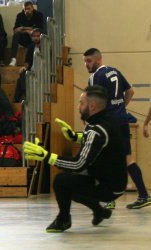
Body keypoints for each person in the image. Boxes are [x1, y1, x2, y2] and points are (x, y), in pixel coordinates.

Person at [24, 86, 127, 233]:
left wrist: (46, 156)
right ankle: (100, 211)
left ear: (92, 106)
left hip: (108, 187)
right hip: (113, 181)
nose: (78, 106)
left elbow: (79, 164)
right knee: (72, 182)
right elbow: (99, 142)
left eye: (81, 103)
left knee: (62, 181)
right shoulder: (106, 120)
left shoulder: (96, 129)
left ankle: (64, 219)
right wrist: (74, 136)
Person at [83, 48, 151, 209]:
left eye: (89, 61)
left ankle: (108, 200)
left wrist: (90, 121)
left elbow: (93, 103)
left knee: (101, 159)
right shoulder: (114, 71)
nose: (86, 65)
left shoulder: (95, 77)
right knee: (128, 159)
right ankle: (143, 195)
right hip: (121, 120)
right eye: (85, 62)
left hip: (107, 124)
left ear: (98, 60)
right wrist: (120, 108)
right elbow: (130, 92)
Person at [9, 1, 43, 66]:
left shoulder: (39, 15)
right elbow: (15, 30)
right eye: (25, 9)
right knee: (16, 35)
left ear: (32, 8)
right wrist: (27, 31)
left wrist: (22, 27)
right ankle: (13, 59)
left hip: (33, 38)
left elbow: (39, 29)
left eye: (28, 9)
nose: (27, 11)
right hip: (24, 38)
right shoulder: (20, 15)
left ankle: (37, 60)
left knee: (37, 35)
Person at [13, 28, 41, 103]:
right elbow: (27, 61)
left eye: (38, 36)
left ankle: (19, 99)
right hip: (32, 71)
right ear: (31, 37)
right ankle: (18, 99)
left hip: (42, 71)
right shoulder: (31, 47)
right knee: (22, 74)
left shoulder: (45, 46)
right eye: (34, 36)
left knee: (20, 81)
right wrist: (24, 67)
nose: (36, 38)